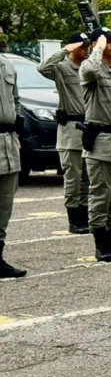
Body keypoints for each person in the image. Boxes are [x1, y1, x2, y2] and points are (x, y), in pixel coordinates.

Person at [79, 29, 111, 262]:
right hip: (101, 142)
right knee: (101, 194)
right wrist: (97, 48)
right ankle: (101, 243)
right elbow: (88, 69)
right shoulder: (93, 70)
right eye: (108, 41)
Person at [38, 32, 91, 234]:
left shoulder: (88, 68)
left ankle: (85, 217)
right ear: (73, 48)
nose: (86, 49)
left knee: (87, 178)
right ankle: (74, 220)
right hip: (71, 129)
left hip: (90, 128)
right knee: (74, 178)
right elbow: (43, 68)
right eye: (82, 46)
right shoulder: (62, 68)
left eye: (88, 46)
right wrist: (64, 50)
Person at [0, 39, 26, 278]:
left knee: (5, 203)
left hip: (7, 141)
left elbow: (15, 100)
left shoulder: (8, 65)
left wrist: (16, 131)